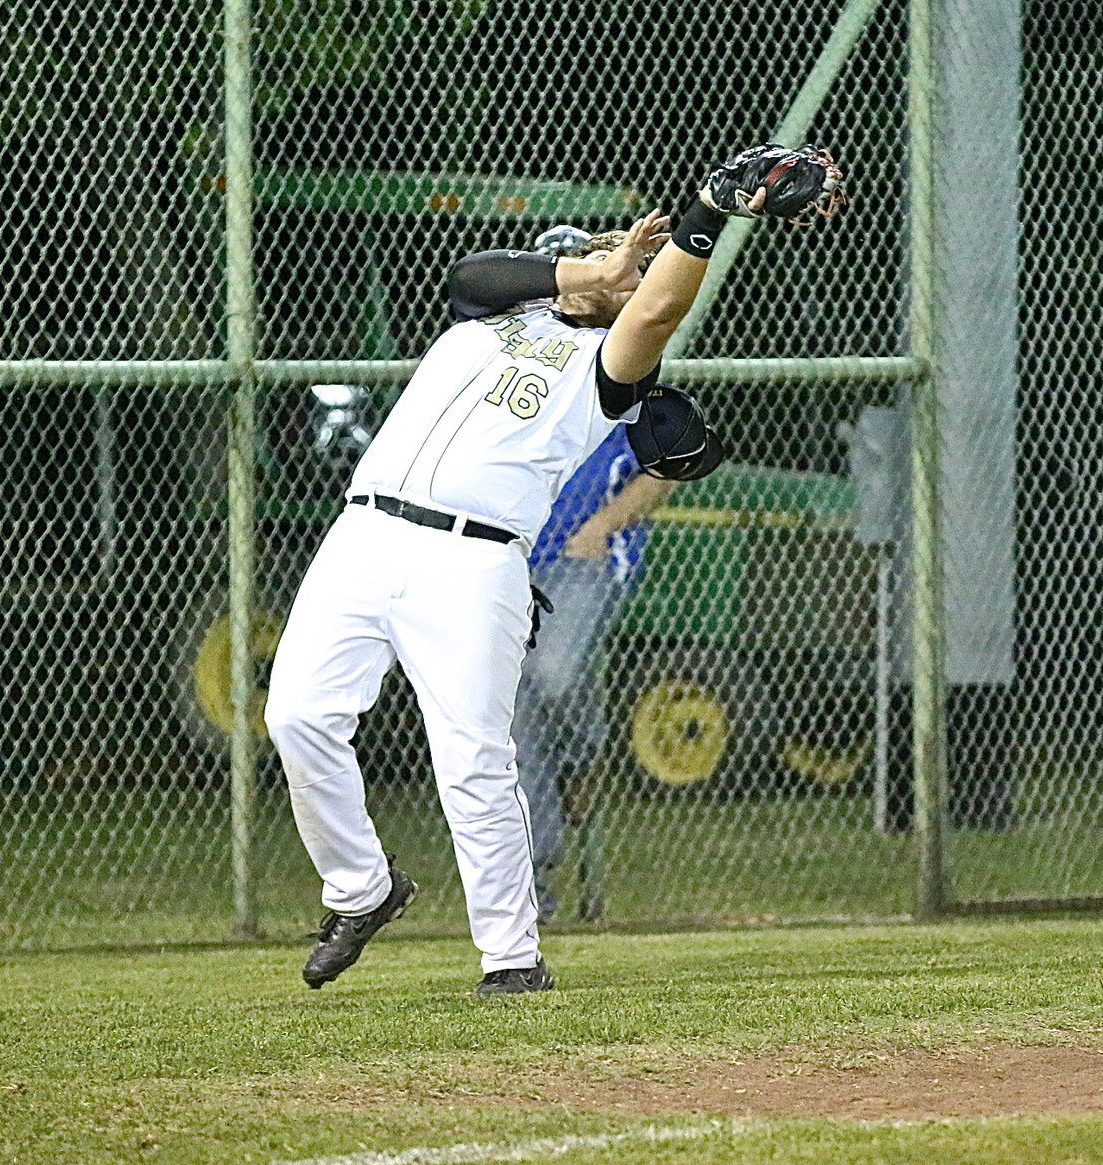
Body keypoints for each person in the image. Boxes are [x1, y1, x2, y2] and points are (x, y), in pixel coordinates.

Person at [264, 162, 763, 997]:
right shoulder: (486, 315)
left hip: (473, 559)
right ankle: (361, 889)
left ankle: (510, 958)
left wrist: (702, 216)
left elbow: (658, 309)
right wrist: (593, 269)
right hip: (361, 534)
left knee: (472, 756)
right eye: (613, 263)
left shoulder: (611, 370)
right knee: (296, 716)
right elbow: (473, 272)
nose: (623, 272)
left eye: (628, 268)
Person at [514, 422, 677, 922]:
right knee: (515, 722)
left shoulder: (626, 376)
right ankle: (536, 883)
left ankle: (580, 760)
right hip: (510, 555)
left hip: (583, 555)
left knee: (556, 672)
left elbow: (666, 469)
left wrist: (602, 526)